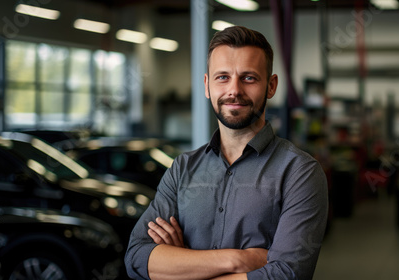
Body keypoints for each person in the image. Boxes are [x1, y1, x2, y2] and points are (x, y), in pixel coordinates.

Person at [125, 25, 328, 280]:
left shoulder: (300, 173)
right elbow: (136, 258)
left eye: (249, 78)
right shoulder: (182, 169)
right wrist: (239, 260)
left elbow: (287, 274)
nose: (234, 90)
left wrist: (182, 267)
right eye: (222, 77)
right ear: (207, 85)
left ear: (271, 86)